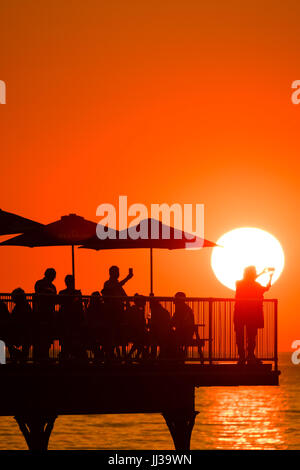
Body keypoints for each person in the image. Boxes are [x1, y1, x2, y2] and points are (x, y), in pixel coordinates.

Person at [234, 265, 273, 365]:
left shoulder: (239, 283)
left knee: (242, 336)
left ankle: (243, 357)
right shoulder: (253, 285)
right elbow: (266, 288)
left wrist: (263, 274)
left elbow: (250, 282)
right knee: (250, 336)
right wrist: (269, 277)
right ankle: (250, 356)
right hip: (251, 315)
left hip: (240, 314)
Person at [101, 266, 133, 359]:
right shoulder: (107, 284)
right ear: (112, 273)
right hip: (111, 314)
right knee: (112, 335)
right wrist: (127, 278)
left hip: (119, 314)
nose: (118, 274)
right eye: (116, 272)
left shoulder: (118, 285)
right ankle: (111, 355)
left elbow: (125, 295)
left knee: (120, 335)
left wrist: (128, 303)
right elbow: (113, 289)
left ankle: (122, 355)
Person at [58, 275, 84, 360]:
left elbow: (79, 306)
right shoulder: (63, 293)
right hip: (67, 320)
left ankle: (72, 356)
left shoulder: (76, 293)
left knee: (74, 340)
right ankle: (66, 356)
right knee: (66, 341)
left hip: (74, 320)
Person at [33, 268, 57, 361]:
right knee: (43, 338)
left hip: (45, 315)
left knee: (45, 338)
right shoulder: (42, 284)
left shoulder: (39, 283)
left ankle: (42, 357)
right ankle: (41, 357)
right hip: (43, 314)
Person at [9, 288, 33, 362]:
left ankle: (18, 355)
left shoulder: (20, 307)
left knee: (7, 339)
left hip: (22, 332)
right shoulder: (25, 306)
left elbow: (14, 319)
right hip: (25, 332)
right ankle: (21, 357)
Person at [172, 292, 195, 359]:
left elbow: (177, 322)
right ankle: (177, 355)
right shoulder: (183, 309)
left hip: (185, 333)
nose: (175, 302)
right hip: (183, 332)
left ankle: (176, 356)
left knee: (169, 336)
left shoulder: (185, 310)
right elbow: (174, 321)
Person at [128, 294, 147, 360]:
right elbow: (136, 324)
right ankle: (133, 355)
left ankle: (134, 356)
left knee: (141, 340)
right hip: (133, 332)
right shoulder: (134, 310)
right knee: (140, 340)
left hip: (137, 333)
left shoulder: (139, 310)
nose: (145, 304)